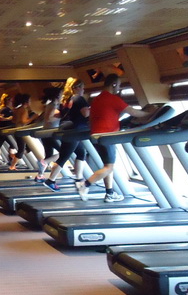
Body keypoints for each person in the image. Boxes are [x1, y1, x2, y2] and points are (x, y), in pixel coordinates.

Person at [76, 74, 152, 202]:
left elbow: (105, 115)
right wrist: (151, 114)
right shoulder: (113, 98)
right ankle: (85, 185)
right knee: (109, 168)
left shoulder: (97, 99)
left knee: (107, 166)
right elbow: (133, 112)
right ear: (114, 84)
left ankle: (109, 193)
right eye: (119, 85)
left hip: (96, 136)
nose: (119, 88)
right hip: (107, 136)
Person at [42, 78, 90, 191]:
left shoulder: (66, 100)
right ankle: (51, 180)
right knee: (64, 156)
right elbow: (86, 114)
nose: (83, 90)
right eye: (82, 88)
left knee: (81, 152)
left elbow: (61, 114)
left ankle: (78, 178)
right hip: (74, 130)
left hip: (68, 129)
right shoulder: (78, 98)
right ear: (77, 88)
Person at [8, 93, 41, 170]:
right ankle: (12, 165)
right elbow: (24, 122)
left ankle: (13, 157)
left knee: (25, 149)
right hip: (21, 132)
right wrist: (33, 117)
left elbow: (13, 120)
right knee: (22, 150)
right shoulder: (24, 110)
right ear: (26, 102)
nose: (30, 102)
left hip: (16, 131)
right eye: (30, 101)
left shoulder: (17, 109)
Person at [38, 85, 62, 178]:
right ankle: (45, 162)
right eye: (61, 94)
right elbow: (49, 119)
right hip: (50, 134)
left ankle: (40, 175)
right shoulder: (53, 105)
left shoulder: (50, 104)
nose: (62, 96)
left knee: (49, 154)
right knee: (63, 152)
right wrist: (60, 116)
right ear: (57, 95)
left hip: (46, 133)